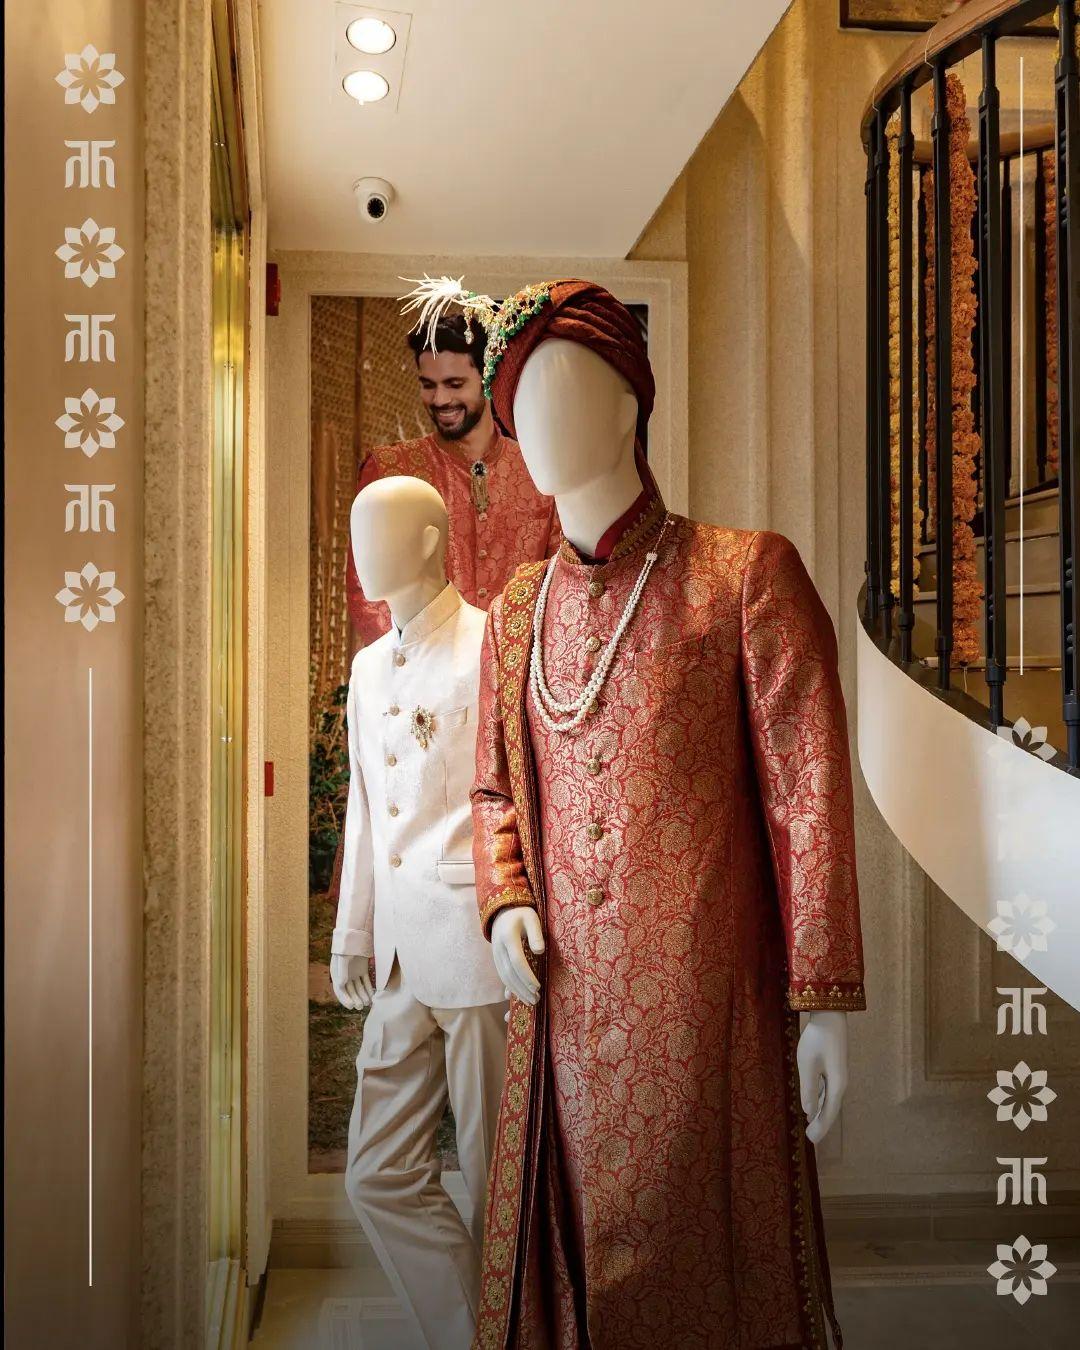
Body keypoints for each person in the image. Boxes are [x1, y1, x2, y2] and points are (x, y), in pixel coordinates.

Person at [399, 277, 867, 1349]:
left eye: (571, 390)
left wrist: (825, 1000)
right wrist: (506, 900)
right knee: (579, 1266)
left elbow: (809, 797)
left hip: (709, 1003)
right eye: (523, 404)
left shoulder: (742, 576)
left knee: (702, 1252)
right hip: (564, 1003)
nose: (543, 423)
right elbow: (493, 788)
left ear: (630, 404)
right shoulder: (519, 612)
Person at [345, 314, 562, 646]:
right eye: (428, 385)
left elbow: (561, 580)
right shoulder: (391, 469)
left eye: (455, 384)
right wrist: (416, 661)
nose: (440, 400)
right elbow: (367, 593)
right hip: (421, 670)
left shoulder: (537, 467)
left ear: (488, 379)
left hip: (519, 669)